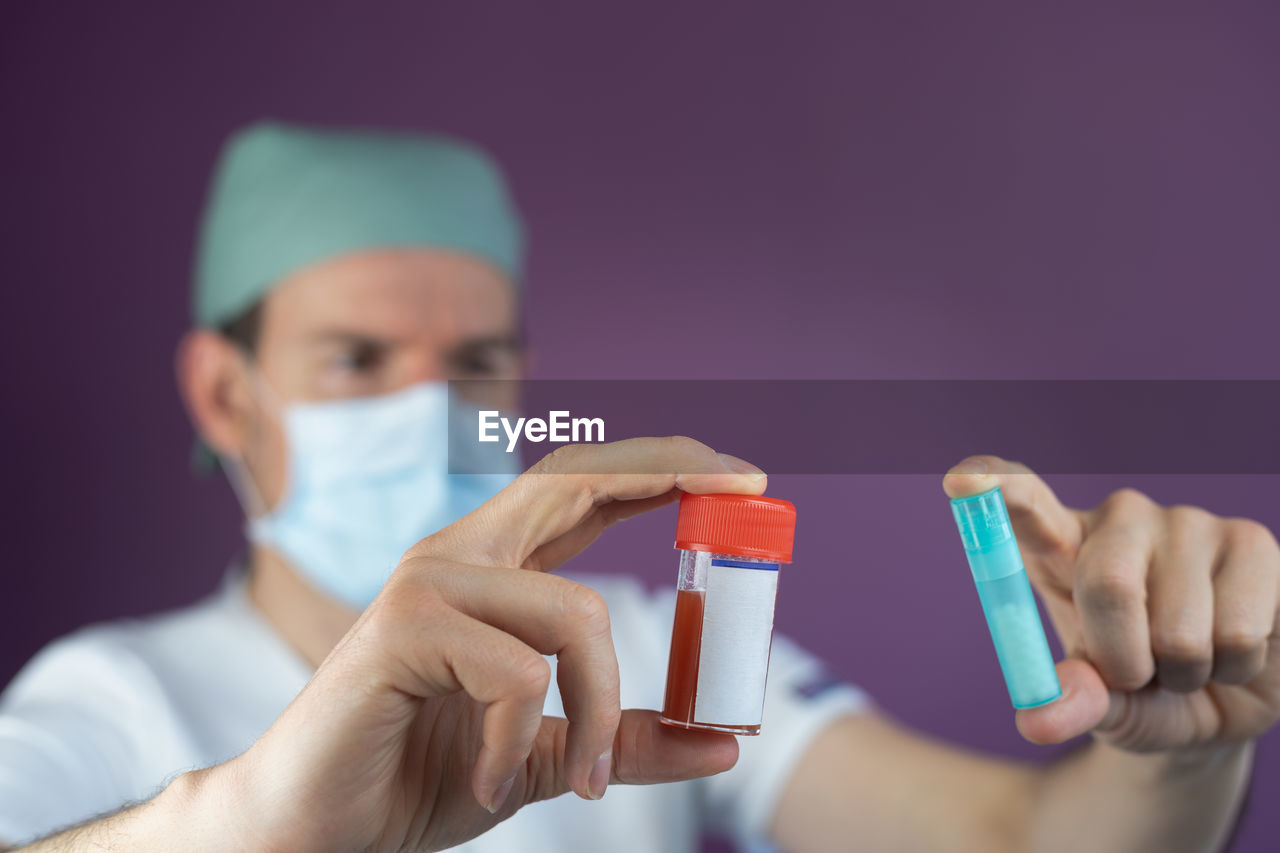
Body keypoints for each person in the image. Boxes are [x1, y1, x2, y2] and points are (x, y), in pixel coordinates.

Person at [1, 122, 1276, 853]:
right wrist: (251, 823)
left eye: (478, 364)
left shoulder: (659, 642)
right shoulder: (114, 698)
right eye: (356, 359)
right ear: (230, 397)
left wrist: (1173, 753)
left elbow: (1019, 847)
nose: (428, 409)